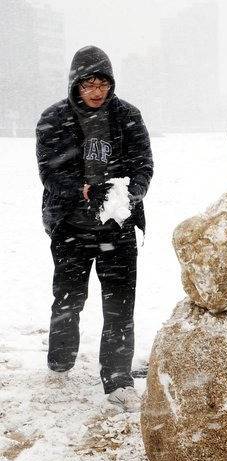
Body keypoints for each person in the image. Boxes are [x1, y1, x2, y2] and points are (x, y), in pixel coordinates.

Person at [35, 46, 154, 412]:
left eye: (102, 82)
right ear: (76, 84)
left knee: (120, 304)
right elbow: (50, 172)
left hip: (116, 228)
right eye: (89, 83)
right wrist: (81, 190)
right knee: (69, 299)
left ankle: (118, 380)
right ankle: (60, 361)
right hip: (71, 227)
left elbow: (144, 165)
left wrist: (129, 193)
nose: (96, 91)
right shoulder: (53, 118)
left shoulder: (127, 116)